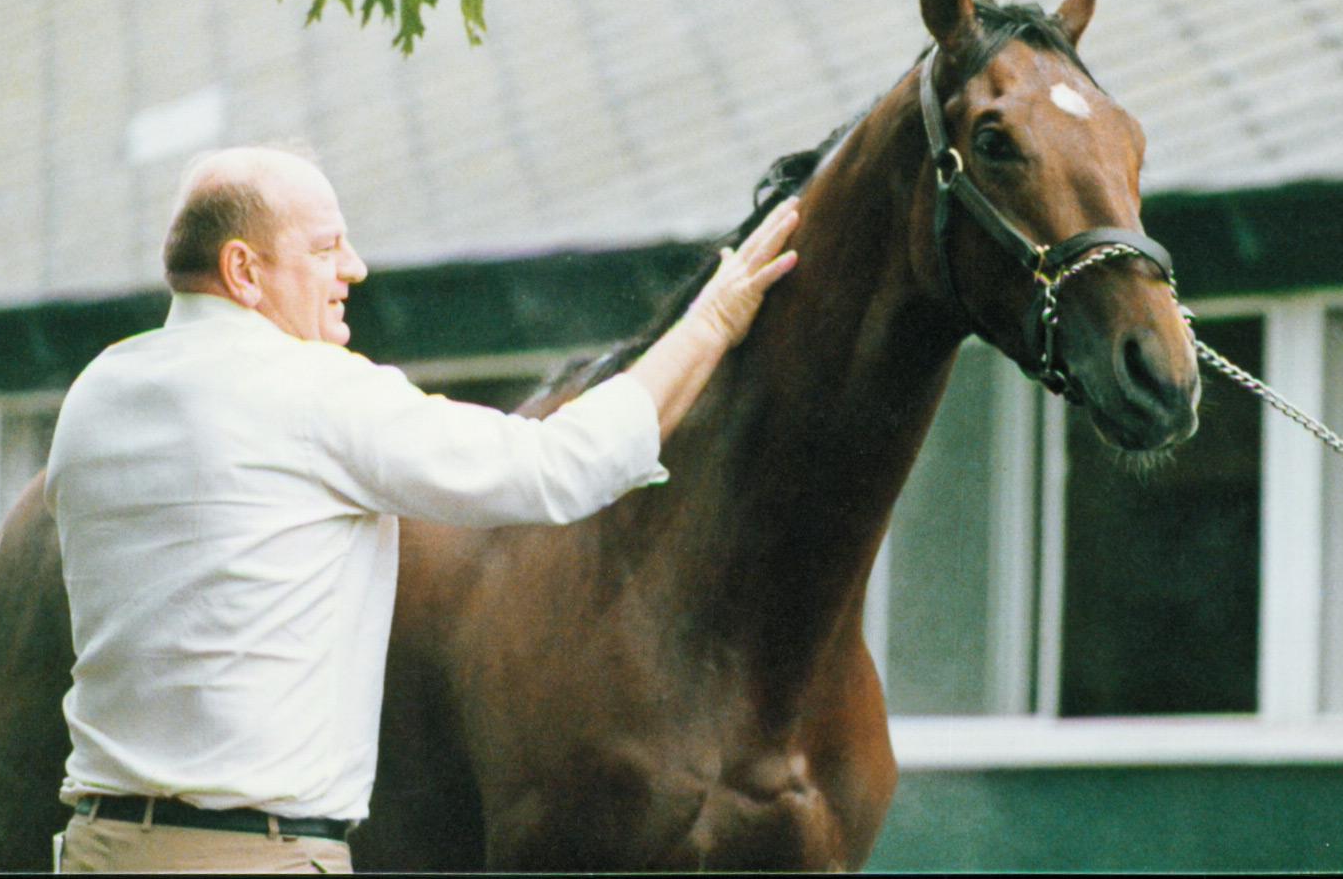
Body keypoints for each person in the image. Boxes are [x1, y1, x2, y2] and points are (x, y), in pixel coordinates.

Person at [46, 144, 800, 873]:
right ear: (244, 269)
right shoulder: (314, 392)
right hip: (255, 857)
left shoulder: (96, 395)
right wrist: (710, 323)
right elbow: (559, 467)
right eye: (324, 247)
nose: (355, 268)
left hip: (98, 849)